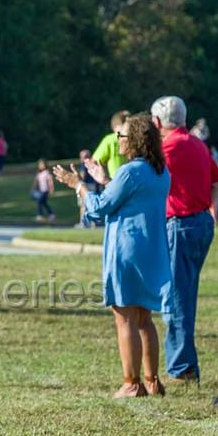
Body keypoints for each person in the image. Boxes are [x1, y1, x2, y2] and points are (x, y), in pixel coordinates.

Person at [54, 113, 170, 397]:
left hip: (127, 250)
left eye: (122, 135)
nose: (117, 140)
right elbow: (128, 196)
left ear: (136, 140)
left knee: (124, 317)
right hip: (150, 250)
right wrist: (105, 180)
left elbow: (98, 208)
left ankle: (131, 384)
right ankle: (152, 381)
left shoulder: (131, 171)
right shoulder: (159, 171)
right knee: (144, 318)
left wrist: (78, 185)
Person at [151, 95, 218, 383]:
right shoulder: (197, 143)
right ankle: (186, 363)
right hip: (200, 222)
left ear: (158, 122)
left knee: (176, 297)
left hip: (179, 224)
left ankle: (182, 367)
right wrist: (207, 204)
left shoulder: (168, 147)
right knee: (185, 293)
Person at [93, 111, 130, 184]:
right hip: (134, 178)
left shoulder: (109, 140)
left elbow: (95, 160)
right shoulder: (135, 137)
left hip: (115, 181)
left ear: (114, 126)